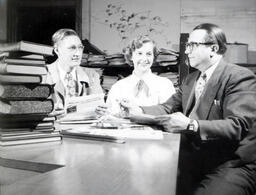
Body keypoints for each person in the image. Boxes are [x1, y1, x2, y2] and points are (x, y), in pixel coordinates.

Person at [121, 23, 256, 195]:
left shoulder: (239, 77)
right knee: (146, 181)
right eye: (187, 46)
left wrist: (191, 125)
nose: (186, 51)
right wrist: (138, 110)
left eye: (192, 45)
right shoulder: (191, 79)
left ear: (213, 48)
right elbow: (167, 107)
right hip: (196, 158)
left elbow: (237, 126)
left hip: (232, 163)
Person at [96, 35, 176, 117]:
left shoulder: (165, 85)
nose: (144, 59)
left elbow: (170, 115)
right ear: (131, 56)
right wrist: (105, 113)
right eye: (139, 53)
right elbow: (110, 117)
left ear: (153, 57)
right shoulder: (118, 87)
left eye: (148, 54)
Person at [43, 28, 103, 110]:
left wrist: (101, 110)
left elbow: (99, 109)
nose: (78, 53)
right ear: (57, 50)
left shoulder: (92, 75)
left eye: (80, 47)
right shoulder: (44, 74)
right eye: (72, 48)